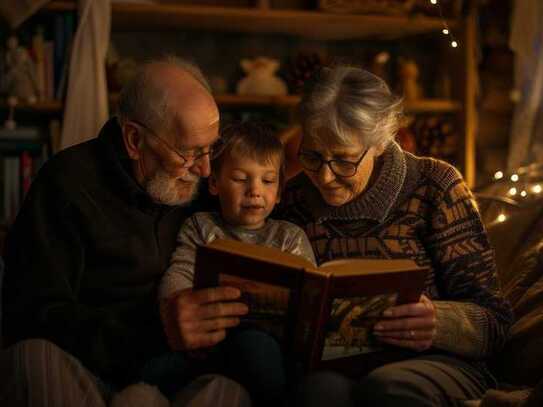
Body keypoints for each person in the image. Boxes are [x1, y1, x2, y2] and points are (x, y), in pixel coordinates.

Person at [0, 57, 252, 406]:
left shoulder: (201, 190)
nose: (206, 169)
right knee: (29, 359)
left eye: (211, 149)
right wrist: (156, 328)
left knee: (231, 392)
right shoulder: (66, 184)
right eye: (190, 153)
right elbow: (31, 316)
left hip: (178, 382)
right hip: (89, 376)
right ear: (134, 139)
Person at [277, 65, 514, 407]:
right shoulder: (291, 199)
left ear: (379, 142)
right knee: (319, 392)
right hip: (334, 366)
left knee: (388, 387)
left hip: (435, 361)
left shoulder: (436, 186)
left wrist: (440, 321)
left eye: (343, 160)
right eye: (313, 156)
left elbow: (496, 323)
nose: (325, 177)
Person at [146, 120, 315, 406]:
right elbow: (180, 273)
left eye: (267, 180)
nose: (254, 191)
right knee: (154, 368)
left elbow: (310, 295)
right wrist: (177, 308)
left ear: (280, 190)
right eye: (240, 179)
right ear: (214, 183)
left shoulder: (289, 237)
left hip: (266, 343)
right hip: (209, 339)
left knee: (257, 351)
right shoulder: (200, 227)